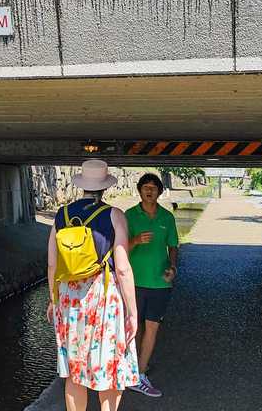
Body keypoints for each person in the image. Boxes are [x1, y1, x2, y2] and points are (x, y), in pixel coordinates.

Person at [46, 159, 140, 411]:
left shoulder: (62, 214)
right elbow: (122, 268)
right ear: (105, 187)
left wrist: (54, 300)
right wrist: (132, 312)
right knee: (109, 363)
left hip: (69, 297)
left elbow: (52, 266)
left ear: (81, 186)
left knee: (75, 370)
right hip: (103, 295)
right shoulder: (114, 215)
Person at [125, 172, 179, 398]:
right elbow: (118, 248)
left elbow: (173, 246)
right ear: (139, 190)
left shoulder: (167, 217)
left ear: (159, 191)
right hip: (133, 282)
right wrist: (135, 240)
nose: (149, 190)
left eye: (154, 187)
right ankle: (134, 366)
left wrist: (173, 268)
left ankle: (140, 372)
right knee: (134, 328)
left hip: (159, 283)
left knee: (153, 326)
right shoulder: (129, 215)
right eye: (145, 187)